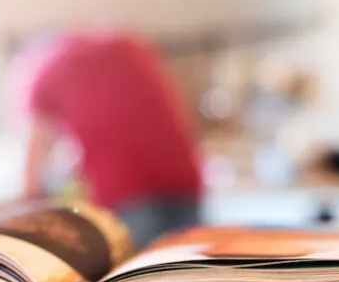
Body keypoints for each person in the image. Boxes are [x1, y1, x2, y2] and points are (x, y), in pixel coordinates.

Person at [11, 28, 204, 250]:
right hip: (185, 181)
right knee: (188, 272)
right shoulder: (122, 45)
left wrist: (25, 215)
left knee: (133, 280)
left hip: (128, 196)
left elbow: (32, 168)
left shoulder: (39, 71)